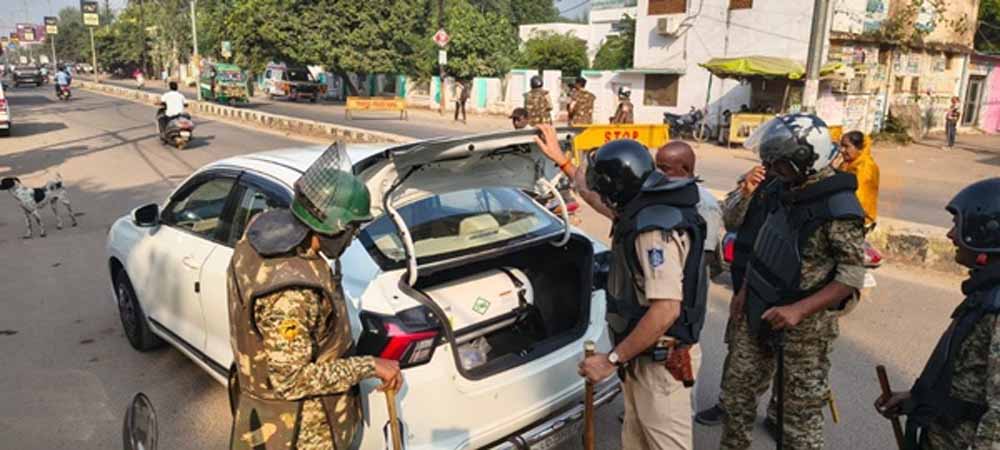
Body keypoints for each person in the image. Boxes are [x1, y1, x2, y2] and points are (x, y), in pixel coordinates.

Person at [536, 124, 709, 449]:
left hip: (661, 364)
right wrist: (563, 161)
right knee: (636, 440)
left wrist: (611, 360)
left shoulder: (653, 231)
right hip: (641, 356)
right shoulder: (640, 205)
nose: (603, 197)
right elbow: (593, 197)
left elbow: (666, 309)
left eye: (607, 190)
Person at [227, 145, 403, 450]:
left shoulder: (261, 230)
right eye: (352, 229)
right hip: (300, 432)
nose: (353, 238)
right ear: (334, 225)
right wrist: (370, 365)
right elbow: (290, 379)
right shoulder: (292, 295)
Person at [719, 114, 867, 450]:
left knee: (798, 420)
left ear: (806, 159)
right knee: (736, 398)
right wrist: (744, 291)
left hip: (804, 330)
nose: (771, 169)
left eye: (779, 164)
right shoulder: (781, 187)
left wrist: (798, 310)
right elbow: (762, 242)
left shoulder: (839, 208)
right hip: (757, 308)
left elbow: (851, 275)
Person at [875, 177, 1000, 450]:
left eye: (959, 226)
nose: (951, 235)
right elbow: (967, 374)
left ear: (987, 234)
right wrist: (917, 398)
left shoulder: (996, 305)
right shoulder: (985, 293)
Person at [695, 163, 784, 428]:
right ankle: (728, 404)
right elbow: (730, 219)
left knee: (787, 359)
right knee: (740, 350)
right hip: (749, 284)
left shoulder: (811, 188)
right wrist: (746, 190)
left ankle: (779, 414)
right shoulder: (759, 180)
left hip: (790, 292)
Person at [838, 131, 880, 227]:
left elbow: (860, 198)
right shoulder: (848, 164)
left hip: (860, 219)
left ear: (859, 148)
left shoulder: (865, 167)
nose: (842, 150)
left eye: (846, 146)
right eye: (841, 146)